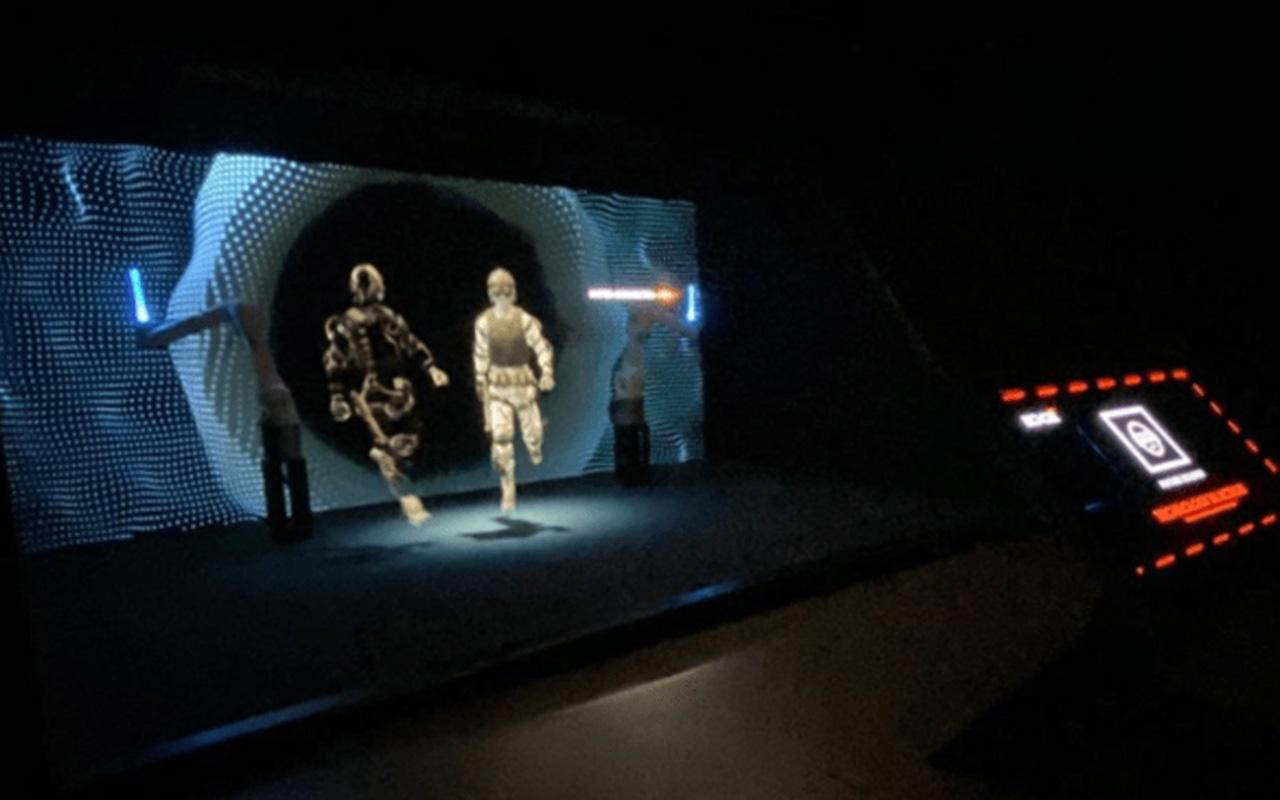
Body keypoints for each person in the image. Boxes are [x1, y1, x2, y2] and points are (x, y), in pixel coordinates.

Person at [323, 263, 449, 524]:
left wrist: (431, 367)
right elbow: (335, 362)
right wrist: (337, 397)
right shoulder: (346, 325)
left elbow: (409, 341)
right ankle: (408, 500)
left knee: (407, 440)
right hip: (371, 396)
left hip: (397, 390)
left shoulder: (386, 317)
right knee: (386, 447)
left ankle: (404, 486)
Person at [473, 267, 554, 511]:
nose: (502, 295)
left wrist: (547, 372)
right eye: (497, 291)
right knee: (501, 435)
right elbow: (481, 352)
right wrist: (480, 379)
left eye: (506, 290)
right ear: (491, 293)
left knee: (532, 434)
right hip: (498, 384)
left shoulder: (524, 320)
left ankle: (536, 443)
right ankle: (507, 485)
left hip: (522, 382)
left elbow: (541, 347)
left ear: (513, 292)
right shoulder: (484, 322)